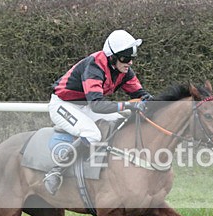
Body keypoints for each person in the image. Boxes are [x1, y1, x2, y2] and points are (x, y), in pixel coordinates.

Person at [44, 29, 152, 194]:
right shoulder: (94, 67)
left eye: (132, 58)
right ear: (112, 58)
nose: (130, 63)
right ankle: (56, 171)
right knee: (92, 134)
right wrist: (128, 105)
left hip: (86, 105)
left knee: (117, 122)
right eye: (126, 58)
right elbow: (97, 105)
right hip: (63, 105)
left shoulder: (124, 71)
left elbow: (142, 95)